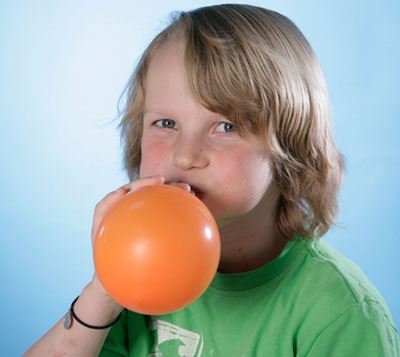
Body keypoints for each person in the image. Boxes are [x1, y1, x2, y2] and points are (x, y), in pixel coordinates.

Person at [25, 4, 399, 356]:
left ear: (291, 146)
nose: (185, 156)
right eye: (166, 123)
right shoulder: (138, 279)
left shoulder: (339, 312)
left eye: (226, 126)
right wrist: (104, 290)